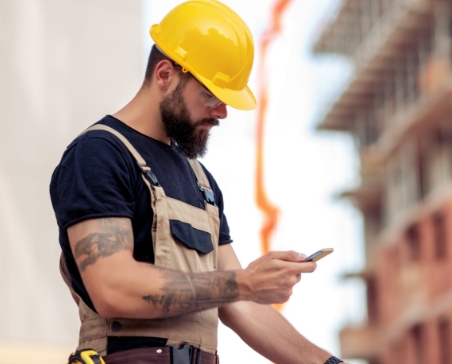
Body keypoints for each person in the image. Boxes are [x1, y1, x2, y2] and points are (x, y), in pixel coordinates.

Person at [50, 1, 344, 363]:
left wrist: (327, 362)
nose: (222, 112)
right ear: (164, 75)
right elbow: (113, 287)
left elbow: (240, 306)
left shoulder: (201, 181)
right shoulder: (99, 154)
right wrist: (245, 283)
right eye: (211, 95)